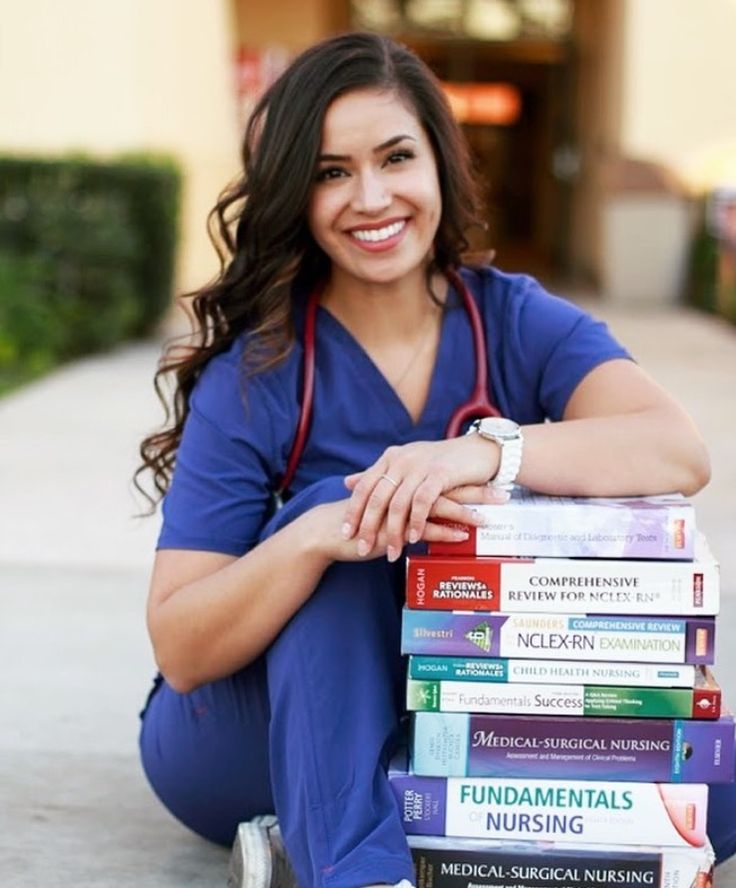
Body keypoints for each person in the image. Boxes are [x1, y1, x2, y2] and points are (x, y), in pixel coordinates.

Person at [136, 31, 733, 888]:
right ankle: (357, 867)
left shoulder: (515, 321)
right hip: (245, 733)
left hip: (467, 706)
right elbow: (183, 647)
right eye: (329, 171)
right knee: (337, 523)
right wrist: (314, 538)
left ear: (442, 166)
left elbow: (675, 448)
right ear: (294, 197)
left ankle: (368, 830)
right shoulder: (260, 375)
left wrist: (486, 452)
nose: (370, 196)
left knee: (711, 794)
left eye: (395, 157)